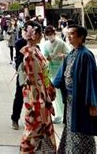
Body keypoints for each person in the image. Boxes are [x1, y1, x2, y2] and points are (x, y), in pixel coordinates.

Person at [53, 25, 97, 153]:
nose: (68, 36)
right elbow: (61, 75)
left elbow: (91, 80)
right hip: (70, 100)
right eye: (68, 34)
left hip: (81, 100)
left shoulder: (86, 55)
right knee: (70, 127)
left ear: (81, 37)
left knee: (81, 129)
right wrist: (51, 85)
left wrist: (93, 103)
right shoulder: (72, 53)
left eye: (72, 34)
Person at [19, 22, 57, 153]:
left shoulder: (34, 51)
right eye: (40, 34)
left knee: (37, 132)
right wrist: (46, 101)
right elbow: (37, 81)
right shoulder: (31, 55)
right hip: (37, 98)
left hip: (37, 95)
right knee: (33, 132)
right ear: (36, 35)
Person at [43, 26, 70, 124]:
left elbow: (69, 54)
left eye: (51, 35)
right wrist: (47, 58)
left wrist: (63, 56)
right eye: (48, 35)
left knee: (59, 92)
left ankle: (61, 114)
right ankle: (57, 113)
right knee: (52, 92)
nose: (50, 37)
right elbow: (44, 56)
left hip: (60, 68)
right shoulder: (45, 44)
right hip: (51, 69)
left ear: (54, 34)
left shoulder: (61, 43)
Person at [11, 29, 27, 130]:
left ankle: (31, 119)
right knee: (19, 96)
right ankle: (15, 118)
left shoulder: (37, 46)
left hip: (34, 75)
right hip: (22, 73)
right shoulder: (20, 43)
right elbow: (19, 55)